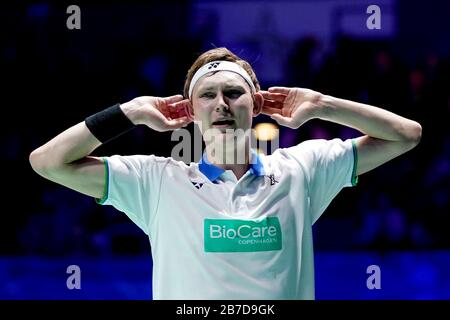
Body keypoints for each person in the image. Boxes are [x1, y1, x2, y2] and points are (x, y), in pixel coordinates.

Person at [29, 47, 422, 299]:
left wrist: (322, 104)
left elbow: (405, 135)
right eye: (208, 95)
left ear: (256, 104)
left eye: (234, 93)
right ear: (189, 111)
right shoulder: (156, 182)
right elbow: (47, 162)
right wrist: (128, 113)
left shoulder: (302, 169)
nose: (221, 104)